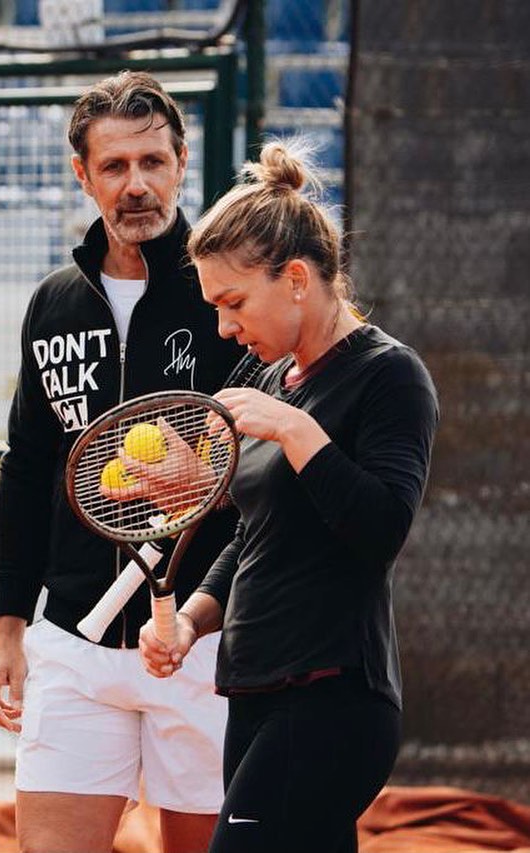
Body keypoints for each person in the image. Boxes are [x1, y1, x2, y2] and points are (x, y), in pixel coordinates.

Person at [138, 139, 440, 853]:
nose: (224, 326)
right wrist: (190, 622)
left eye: (234, 301)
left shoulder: (391, 375)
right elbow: (256, 531)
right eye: (214, 306)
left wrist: (299, 433)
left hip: (336, 696)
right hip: (254, 688)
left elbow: (381, 529)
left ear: (297, 279)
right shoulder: (270, 377)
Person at [0, 71, 242, 853]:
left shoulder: (225, 295)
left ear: (182, 161)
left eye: (154, 162)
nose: (137, 185)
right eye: (116, 167)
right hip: (74, 644)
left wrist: (199, 614)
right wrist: (7, 631)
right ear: (82, 173)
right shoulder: (53, 303)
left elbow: (261, 470)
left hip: (206, 644)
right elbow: (26, 468)